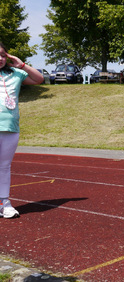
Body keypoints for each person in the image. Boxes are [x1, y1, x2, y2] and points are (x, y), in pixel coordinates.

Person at [0, 42, 44, 218]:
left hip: (10, 128)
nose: (0, 58)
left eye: (3, 55)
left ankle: (4, 203)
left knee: (4, 167)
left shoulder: (16, 74)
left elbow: (39, 79)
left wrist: (22, 65)